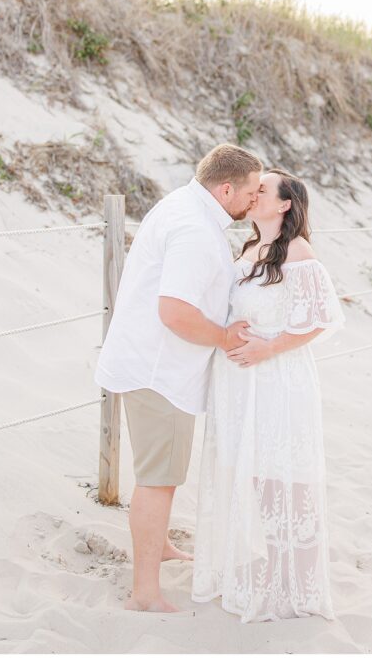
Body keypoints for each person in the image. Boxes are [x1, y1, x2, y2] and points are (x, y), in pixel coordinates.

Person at [93, 143, 263, 613]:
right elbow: (174, 312)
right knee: (158, 479)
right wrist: (226, 337)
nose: (254, 200)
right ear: (226, 188)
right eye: (250, 192)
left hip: (151, 364)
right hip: (158, 371)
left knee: (161, 472)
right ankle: (145, 593)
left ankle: (161, 546)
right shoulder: (193, 229)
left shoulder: (186, 207)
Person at [191, 168, 346, 622]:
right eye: (253, 189)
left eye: (263, 190)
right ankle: (252, 571)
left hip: (278, 379)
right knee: (249, 473)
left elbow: (321, 319)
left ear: (284, 205)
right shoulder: (248, 248)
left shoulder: (297, 251)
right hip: (241, 385)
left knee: (283, 475)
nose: (253, 194)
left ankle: (288, 584)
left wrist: (268, 348)